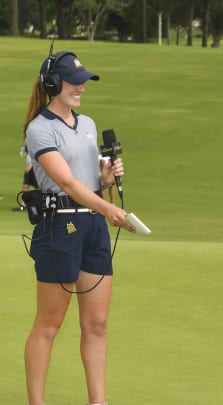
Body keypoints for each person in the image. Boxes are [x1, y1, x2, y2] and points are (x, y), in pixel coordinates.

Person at [23, 49, 134, 405]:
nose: (80, 88)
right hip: (60, 228)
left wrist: (104, 179)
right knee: (50, 323)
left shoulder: (86, 125)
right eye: (73, 82)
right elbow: (68, 183)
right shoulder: (39, 129)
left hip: (93, 229)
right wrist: (109, 209)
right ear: (53, 84)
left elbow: (88, 182)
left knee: (97, 324)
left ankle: (98, 401)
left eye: (83, 83)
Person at [13, 145, 39, 211]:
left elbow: (39, 156)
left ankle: (39, 205)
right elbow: (27, 148)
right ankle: (23, 205)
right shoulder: (31, 143)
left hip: (35, 170)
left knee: (37, 189)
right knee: (25, 187)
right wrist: (24, 149)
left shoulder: (38, 145)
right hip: (29, 171)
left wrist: (31, 165)